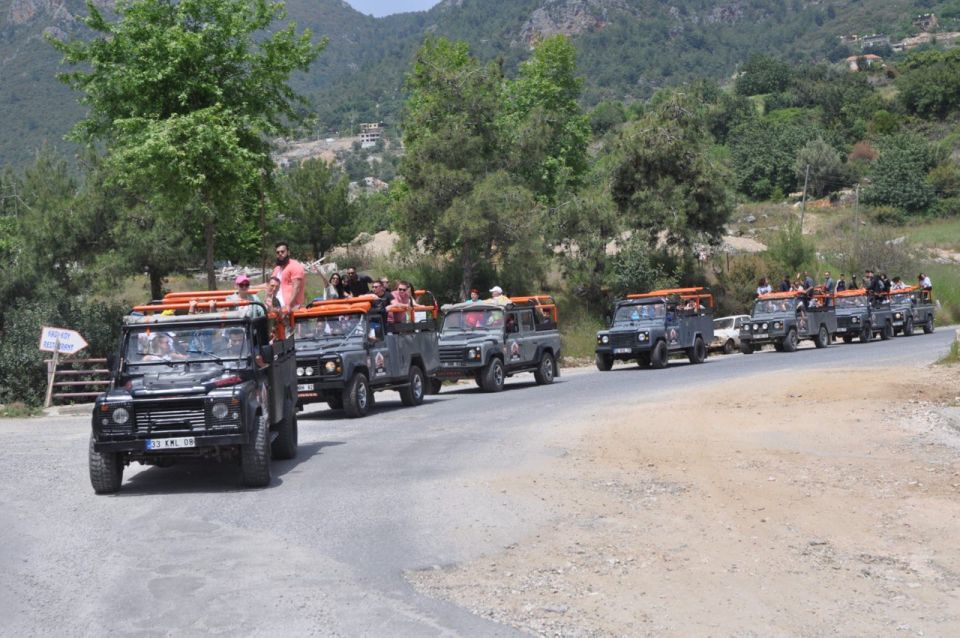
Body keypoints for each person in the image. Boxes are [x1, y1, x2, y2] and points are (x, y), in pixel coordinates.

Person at [271, 242, 305, 311]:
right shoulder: (277, 269)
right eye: (278, 252)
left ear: (288, 252)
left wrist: (289, 305)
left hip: (291, 308)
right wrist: (250, 287)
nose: (280, 254)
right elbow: (269, 284)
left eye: (282, 251)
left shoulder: (295, 266)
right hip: (277, 307)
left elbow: (296, 288)